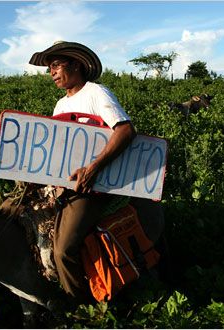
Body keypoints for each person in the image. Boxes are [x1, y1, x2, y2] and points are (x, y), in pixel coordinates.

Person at [28, 41, 136, 303]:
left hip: (93, 185)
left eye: (56, 65)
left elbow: (125, 130)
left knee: (63, 250)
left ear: (76, 64)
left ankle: (81, 307)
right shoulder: (59, 105)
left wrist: (93, 168)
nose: (52, 73)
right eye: (49, 69)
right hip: (65, 183)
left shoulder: (96, 93)